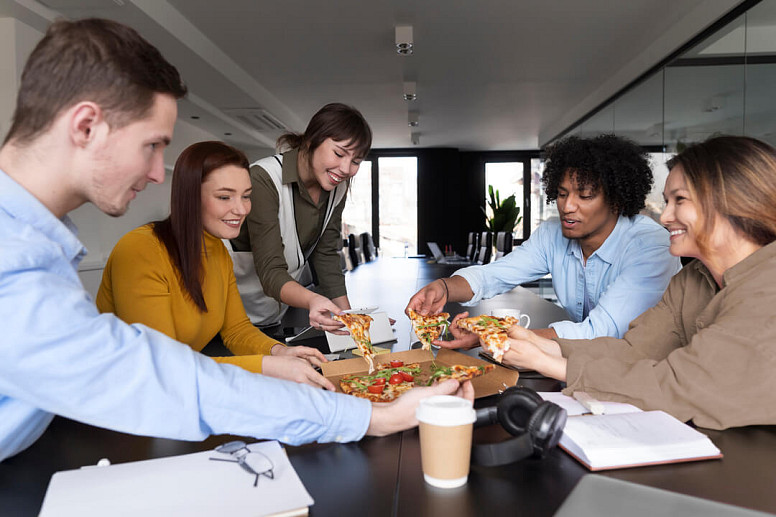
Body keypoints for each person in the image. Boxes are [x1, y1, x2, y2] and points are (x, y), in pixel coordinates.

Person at [0, 18, 470, 463]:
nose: (155, 172)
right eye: (151, 145)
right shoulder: (13, 257)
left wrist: (283, 358)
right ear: (85, 126)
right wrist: (373, 417)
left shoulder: (36, 242)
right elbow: (157, 374)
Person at [501, 136, 776, 430]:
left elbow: (682, 386)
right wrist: (543, 345)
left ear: (733, 203)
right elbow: (635, 349)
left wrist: (555, 365)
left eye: (679, 200)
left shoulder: (767, 286)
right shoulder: (691, 279)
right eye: (667, 201)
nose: (666, 216)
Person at [96, 141, 334, 390]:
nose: (241, 209)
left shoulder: (218, 251)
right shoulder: (141, 250)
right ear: (190, 196)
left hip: (178, 390)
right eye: (224, 197)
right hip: (121, 398)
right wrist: (266, 366)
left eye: (246, 196)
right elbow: (162, 364)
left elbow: (236, 330)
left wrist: (278, 352)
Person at [407, 134, 681, 345]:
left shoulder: (651, 245)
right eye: (562, 194)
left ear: (617, 200)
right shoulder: (553, 234)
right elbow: (494, 275)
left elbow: (601, 332)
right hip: (588, 366)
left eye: (584, 196)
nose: (568, 206)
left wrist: (491, 336)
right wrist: (443, 287)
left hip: (647, 374)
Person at [228, 103, 371, 333]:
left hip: (272, 317)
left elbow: (325, 255)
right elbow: (270, 269)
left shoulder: (337, 188)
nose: (346, 168)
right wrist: (313, 300)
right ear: (311, 140)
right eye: (339, 153)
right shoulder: (263, 179)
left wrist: (351, 322)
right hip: (230, 317)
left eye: (356, 161)